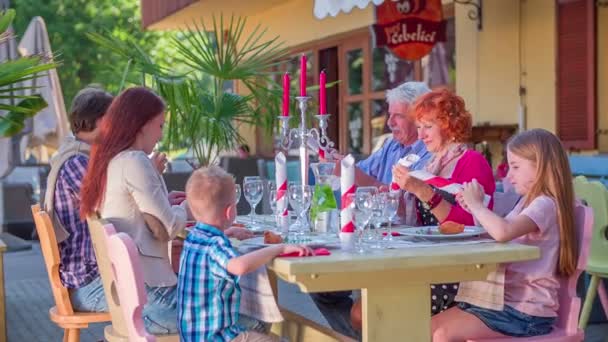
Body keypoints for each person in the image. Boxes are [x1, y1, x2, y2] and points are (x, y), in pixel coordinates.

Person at [349, 89, 497, 332]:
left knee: (366, 314)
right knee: (360, 310)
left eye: (427, 126)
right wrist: (392, 199)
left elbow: (471, 225)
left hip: (457, 272)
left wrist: (423, 192)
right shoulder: (429, 165)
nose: (421, 135)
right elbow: (417, 222)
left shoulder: (471, 162)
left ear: (449, 124)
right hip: (423, 261)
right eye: (419, 127)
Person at [432, 128, 578, 340]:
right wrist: (476, 207)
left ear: (541, 168)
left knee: (442, 333)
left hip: (525, 313)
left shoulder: (545, 204)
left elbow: (503, 233)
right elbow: (495, 234)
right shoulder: (527, 203)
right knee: (430, 326)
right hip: (504, 305)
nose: (509, 176)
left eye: (516, 167)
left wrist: (478, 207)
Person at [178, 166, 312, 341]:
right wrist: (278, 249)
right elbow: (239, 266)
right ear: (229, 212)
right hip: (217, 337)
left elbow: (209, 249)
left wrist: (229, 231)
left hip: (192, 336)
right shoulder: (216, 245)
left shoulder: (194, 236)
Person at [43, 87, 113, 312]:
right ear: (103, 121)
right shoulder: (77, 162)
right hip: (86, 283)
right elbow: (111, 206)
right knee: (159, 297)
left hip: (87, 276)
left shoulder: (80, 155)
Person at [329, 81, 432, 187]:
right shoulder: (392, 144)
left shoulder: (430, 152)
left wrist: (351, 171)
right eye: (390, 114)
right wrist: (336, 162)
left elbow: (408, 200)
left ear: (419, 119)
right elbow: (363, 169)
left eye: (398, 116)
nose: (390, 122)